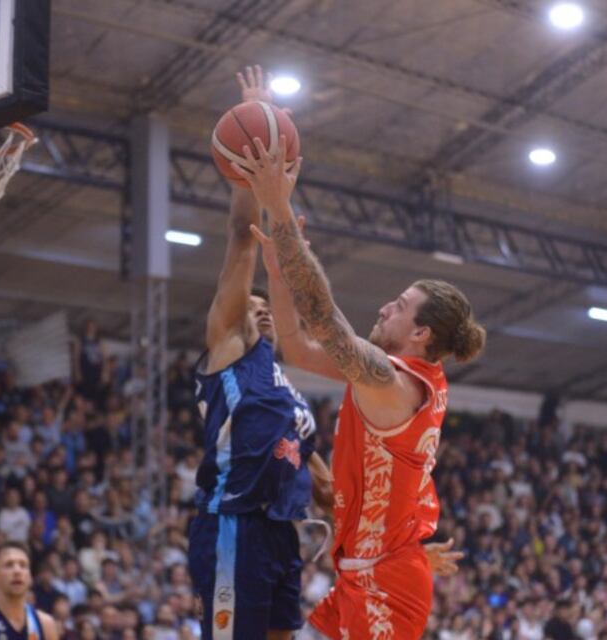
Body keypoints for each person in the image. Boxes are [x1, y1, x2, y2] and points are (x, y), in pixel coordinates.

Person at [237, 131, 485, 638]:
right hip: (370, 573)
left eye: (397, 306)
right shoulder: (394, 378)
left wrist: (280, 212)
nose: (384, 308)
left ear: (421, 333)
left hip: (386, 586)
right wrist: (279, 276)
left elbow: (325, 321)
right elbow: (299, 347)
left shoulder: (391, 381)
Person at [186, 65, 330, 640]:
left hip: (281, 531)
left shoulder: (285, 386)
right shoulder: (227, 349)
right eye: (253, 303)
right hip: (234, 525)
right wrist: (256, 156)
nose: (263, 308)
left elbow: (310, 461)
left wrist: (340, 501)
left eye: (268, 304)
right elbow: (244, 237)